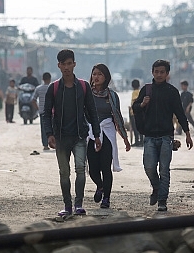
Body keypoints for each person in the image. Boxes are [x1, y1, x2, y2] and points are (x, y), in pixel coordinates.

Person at [42, 49, 101, 219]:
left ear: (74, 64)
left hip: (80, 136)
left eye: (69, 63)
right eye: (63, 64)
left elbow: (92, 111)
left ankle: (79, 204)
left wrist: (96, 134)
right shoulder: (53, 88)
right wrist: (49, 134)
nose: (67, 67)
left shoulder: (83, 86)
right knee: (64, 172)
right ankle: (67, 205)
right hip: (61, 137)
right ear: (59, 66)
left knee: (81, 169)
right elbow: (46, 113)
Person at [132, 59, 193, 212]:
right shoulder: (146, 90)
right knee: (149, 167)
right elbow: (135, 108)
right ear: (152, 72)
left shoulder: (172, 92)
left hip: (166, 136)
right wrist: (142, 104)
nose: (159, 74)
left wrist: (187, 133)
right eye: (156, 72)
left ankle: (162, 200)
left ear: (167, 74)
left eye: (162, 72)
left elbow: (180, 113)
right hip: (150, 137)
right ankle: (156, 187)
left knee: (164, 170)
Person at [87, 63, 131, 209]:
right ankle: (99, 186)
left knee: (105, 166)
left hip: (107, 133)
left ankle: (106, 198)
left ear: (106, 77)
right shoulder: (86, 93)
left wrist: (125, 138)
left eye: (100, 74)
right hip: (91, 134)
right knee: (93, 168)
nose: (96, 77)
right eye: (94, 74)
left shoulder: (112, 95)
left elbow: (117, 116)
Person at [33, 72, 52, 150]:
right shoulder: (52, 87)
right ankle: (54, 143)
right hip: (52, 111)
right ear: (50, 79)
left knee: (44, 129)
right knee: (54, 127)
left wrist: (38, 108)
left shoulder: (38, 88)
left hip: (42, 112)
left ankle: (45, 145)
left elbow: (33, 100)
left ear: (42, 79)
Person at [129, 79, 143, 146]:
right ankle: (141, 140)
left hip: (134, 112)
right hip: (140, 112)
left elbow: (135, 100)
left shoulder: (134, 92)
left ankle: (137, 141)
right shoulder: (140, 91)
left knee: (135, 128)